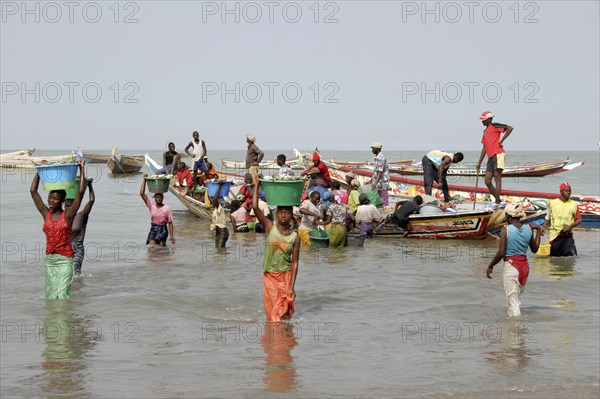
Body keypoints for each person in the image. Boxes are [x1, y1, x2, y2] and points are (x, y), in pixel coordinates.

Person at [30, 160, 87, 299]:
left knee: (62, 295)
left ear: (62, 201)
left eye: (55, 199)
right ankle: (53, 320)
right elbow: (33, 191)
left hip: (65, 260)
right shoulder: (45, 214)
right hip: (50, 261)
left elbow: (80, 193)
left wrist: (82, 169)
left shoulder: (67, 215)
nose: (51, 201)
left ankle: (64, 320)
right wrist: (39, 170)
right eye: (50, 198)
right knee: (50, 295)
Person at [252, 180, 300, 322]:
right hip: (270, 276)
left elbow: (295, 263)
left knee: (284, 310)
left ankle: (285, 339)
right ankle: (276, 340)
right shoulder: (269, 227)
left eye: (287, 213)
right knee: (275, 312)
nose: (284, 215)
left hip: (285, 276)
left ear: (292, 215)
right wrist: (256, 184)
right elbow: (255, 207)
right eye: (281, 213)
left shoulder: (295, 237)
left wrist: (292, 286)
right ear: (277, 214)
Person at [486, 203, 541, 317]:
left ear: (508, 216)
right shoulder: (528, 229)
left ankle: (517, 329)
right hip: (524, 267)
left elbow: (501, 252)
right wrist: (539, 231)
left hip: (511, 266)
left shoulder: (505, 230)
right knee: (516, 300)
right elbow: (535, 249)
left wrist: (491, 265)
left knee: (513, 303)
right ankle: (511, 331)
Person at [475, 111, 514, 204]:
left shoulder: (495, 125)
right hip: (491, 156)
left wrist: (502, 140)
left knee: (497, 177)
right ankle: (498, 200)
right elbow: (484, 148)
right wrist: (479, 163)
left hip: (498, 153)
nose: (482, 122)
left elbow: (510, 128)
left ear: (489, 119)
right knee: (487, 181)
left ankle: (497, 202)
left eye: (484, 120)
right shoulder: (485, 131)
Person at [64, 178, 95, 276]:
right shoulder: (62, 218)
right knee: (66, 274)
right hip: (64, 249)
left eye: (70, 206)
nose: (68, 208)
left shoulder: (81, 215)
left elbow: (91, 201)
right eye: (66, 206)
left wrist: (89, 185)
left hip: (77, 248)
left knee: (75, 272)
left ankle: (78, 288)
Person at [541, 182, 582, 256]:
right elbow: (547, 217)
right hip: (555, 236)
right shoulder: (552, 203)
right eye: (566, 191)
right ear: (561, 191)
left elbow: (578, 219)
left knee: (572, 258)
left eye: (570, 191)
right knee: (553, 261)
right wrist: (544, 227)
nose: (569, 192)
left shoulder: (574, 204)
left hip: (568, 235)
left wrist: (570, 226)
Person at [140, 175, 175, 246]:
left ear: (162, 198)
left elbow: (170, 222)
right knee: (151, 246)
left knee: (161, 248)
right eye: (157, 197)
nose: (158, 199)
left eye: (160, 197)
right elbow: (142, 194)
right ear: (154, 198)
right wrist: (144, 180)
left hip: (163, 229)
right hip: (153, 228)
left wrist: (171, 235)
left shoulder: (166, 208)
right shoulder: (151, 205)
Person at [370, 142, 390, 207]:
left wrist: (375, 183)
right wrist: (371, 180)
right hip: (379, 181)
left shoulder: (380, 158)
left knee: (384, 198)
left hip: (382, 181)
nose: (372, 150)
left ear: (377, 149)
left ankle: (385, 211)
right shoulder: (377, 157)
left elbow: (380, 172)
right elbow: (376, 171)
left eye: (373, 148)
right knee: (379, 198)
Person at [210, 180, 229, 248]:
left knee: (220, 250)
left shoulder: (219, 208)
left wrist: (219, 185)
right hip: (218, 232)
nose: (212, 200)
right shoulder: (216, 209)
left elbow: (215, 199)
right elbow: (214, 198)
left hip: (222, 231)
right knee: (218, 249)